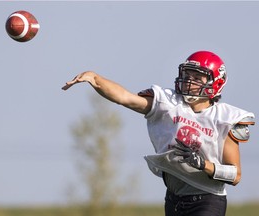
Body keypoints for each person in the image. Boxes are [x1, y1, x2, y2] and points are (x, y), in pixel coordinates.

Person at [62, 50, 255, 216]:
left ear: (215, 83)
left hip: (207, 199)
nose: (189, 81)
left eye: (197, 78)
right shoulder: (169, 102)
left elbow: (235, 175)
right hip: (173, 199)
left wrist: (202, 164)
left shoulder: (225, 118)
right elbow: (125, 98)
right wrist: (95, 79)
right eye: (187, 76)